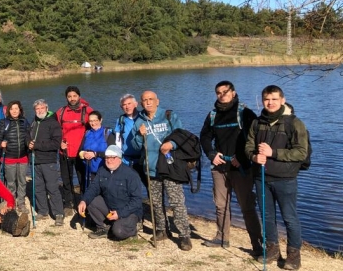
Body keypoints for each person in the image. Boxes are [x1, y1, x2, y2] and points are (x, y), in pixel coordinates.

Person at [245, 85, 308, 269]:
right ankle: (272, 249)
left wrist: (273, 152)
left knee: (289, 217)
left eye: (274, 99)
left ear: (282, 100)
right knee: (267, 216)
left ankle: (293, 255)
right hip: (261, 177)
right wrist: (254, 156)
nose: (270, 103)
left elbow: (301, 153)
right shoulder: (257, 123)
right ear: (262, 101)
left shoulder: (294, 123)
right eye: (266, 99)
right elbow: (248, 146)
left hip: (285, 178)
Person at [199, 81, 262, 254]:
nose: (221, 95)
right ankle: (222, 237)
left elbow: (255, 139)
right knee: (221, 205)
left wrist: (241, 158)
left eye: (225, 92)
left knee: (247, 206)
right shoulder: (213, 115)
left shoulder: (246, 113)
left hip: (241, 168)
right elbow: (204, 137)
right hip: (219, 167)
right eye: (218, 92)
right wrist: (212, 154)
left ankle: (257, 244)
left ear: (233, 93)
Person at [131, 90, 193, 251]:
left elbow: (182, 136)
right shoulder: (139, 122)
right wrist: (139, 135)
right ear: (141, 102)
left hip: (170, 167)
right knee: (156, 202)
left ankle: (184, 234)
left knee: (176, 201)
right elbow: (137, 146)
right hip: (150, 168)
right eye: (145, 100)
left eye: (151, 99)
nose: (148, 102)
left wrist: (171, 144)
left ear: (157, 101)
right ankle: (161, 229)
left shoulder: (168, 116)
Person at [78, 145, 142, 240]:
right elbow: (93, 188)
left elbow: (137, 201)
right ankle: (103, 227)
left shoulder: (131, 175)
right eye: (107, 157)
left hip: (129, 212)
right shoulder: (102, 171)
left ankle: (133, 229)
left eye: (113, 157)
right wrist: (84, 201)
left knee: (118, 231)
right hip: (110, 208)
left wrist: (120, 214)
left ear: (119, 159)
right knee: (91, 200)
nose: (109, 160)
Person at [56, 85, 93, 216]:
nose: (72, 99)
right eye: (69, 96)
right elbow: (55, 131)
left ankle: (84, 202)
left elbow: (94, 129)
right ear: (66, 97)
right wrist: (59, 142)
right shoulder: (60, 112)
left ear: (79, 96)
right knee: (66, 179)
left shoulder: (87, 111)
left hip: (81, 153)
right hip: (65, 152)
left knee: (83, 179)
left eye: (74, 96)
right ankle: (68, 203)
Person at [29, 99, 64, 226]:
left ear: (47, 109)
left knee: (52, 187)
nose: (39, 111)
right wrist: (29, 143)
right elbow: (29, 137)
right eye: (37, 109)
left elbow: (55, 143)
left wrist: (37, 145)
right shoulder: (34, 122)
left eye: (42, 108)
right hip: (35, 160)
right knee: (38, 187)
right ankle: (43, 210)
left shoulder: (53, 123)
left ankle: (58, 213)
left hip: (48, 160)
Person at [0, 101, 30, 213]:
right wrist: (1, 144)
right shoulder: (3, 122)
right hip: (9, 157)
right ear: (8, 111)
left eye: (16, 108)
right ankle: (11, 203)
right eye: (12, 109)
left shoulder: (24, 122)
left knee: (22, 182)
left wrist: (30, 143)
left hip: (23, 157)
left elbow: (28, 136)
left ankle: (21, 203)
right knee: (11, 182)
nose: (14, 111)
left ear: (20, 110)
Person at [79, 110, 116, 179]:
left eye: (95, 120)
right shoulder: (87, 133)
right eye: (91, 121)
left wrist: (95, 154)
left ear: (100, 120)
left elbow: (113, 154)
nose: (93, 123)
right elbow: (80, 150)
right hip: (89, 170)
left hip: (104, 170)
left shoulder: (107, 134)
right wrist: (84, 154)